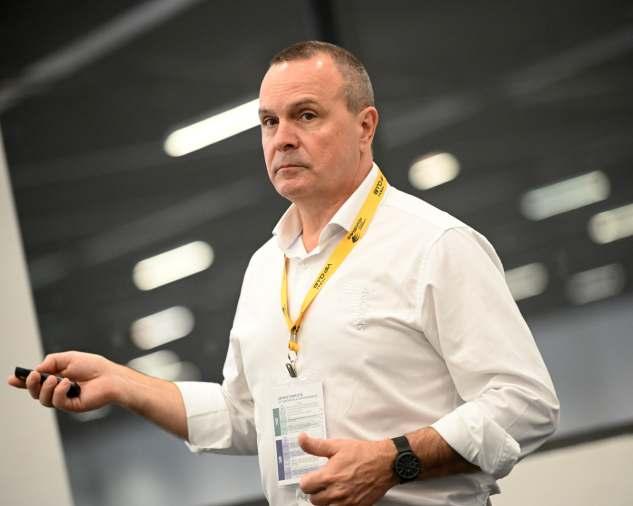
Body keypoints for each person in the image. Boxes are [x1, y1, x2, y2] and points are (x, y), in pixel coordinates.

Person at [8, 41, 559, 506]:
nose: (282, 137)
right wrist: (124, 384)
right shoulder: (266, 266)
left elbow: (525, 404)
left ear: (365, 126)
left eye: (306, 115)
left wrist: (394, 461)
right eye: (269, 121)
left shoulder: (435, 244)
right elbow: (246, 415)